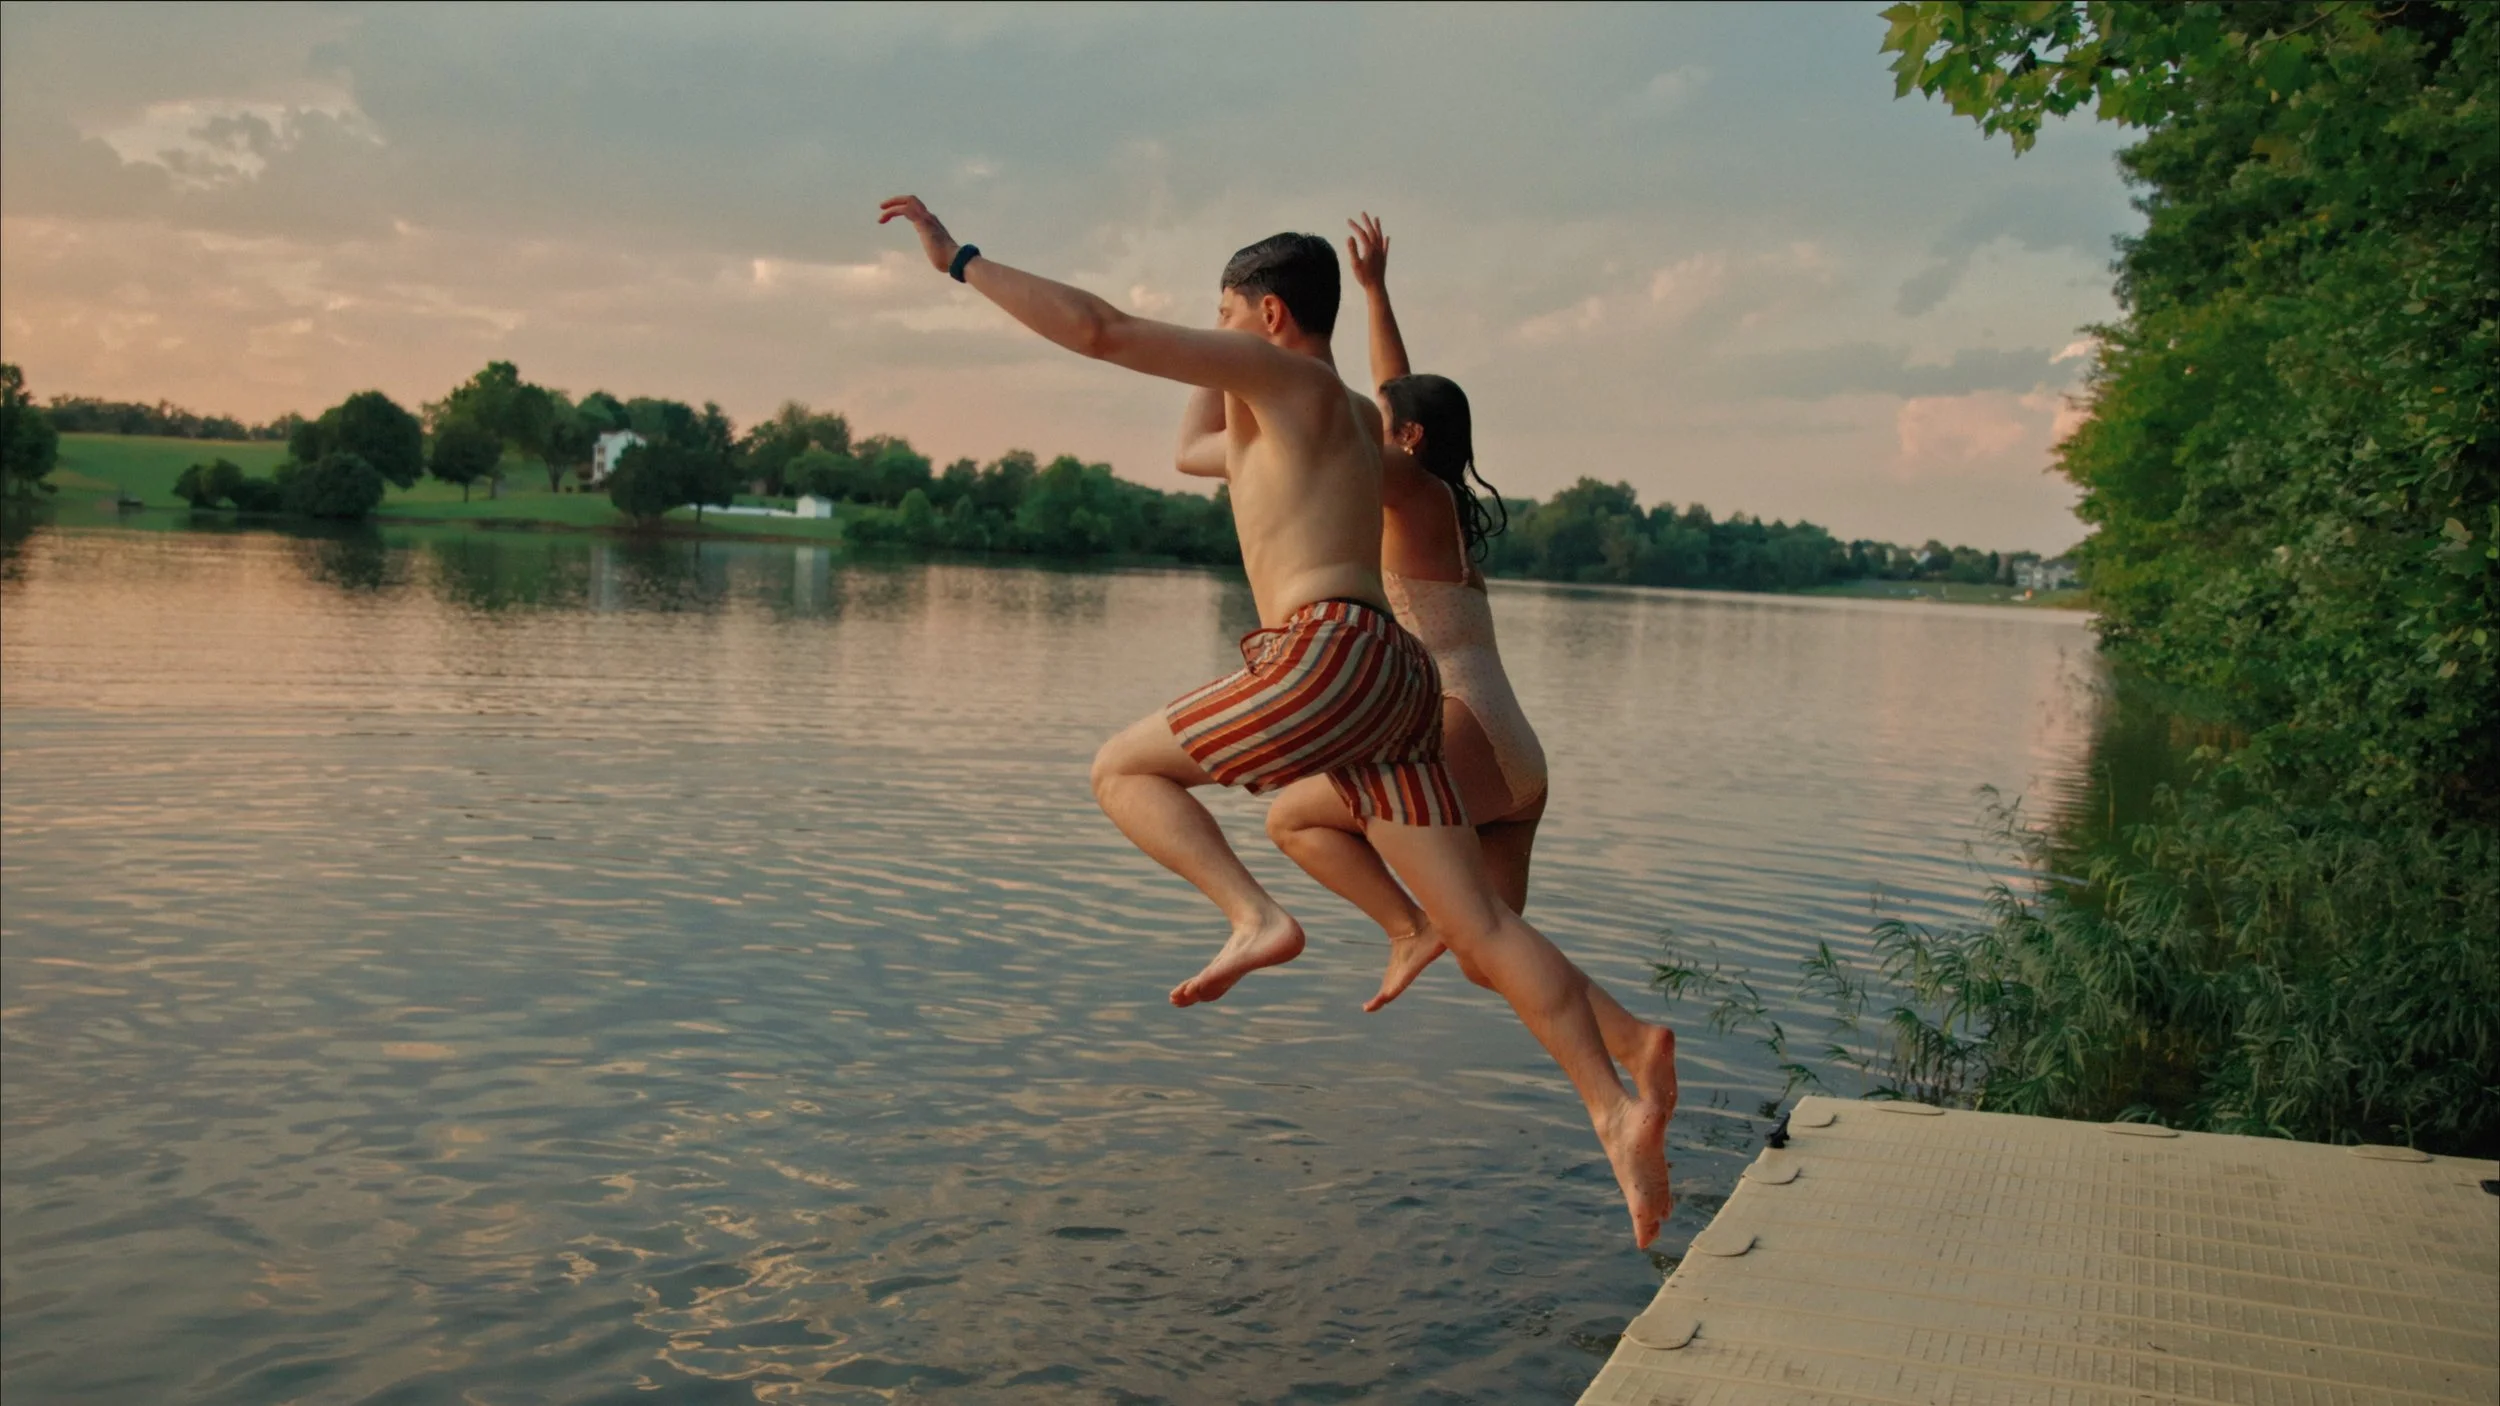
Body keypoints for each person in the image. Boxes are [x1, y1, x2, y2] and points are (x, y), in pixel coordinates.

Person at [878, 195, 1673, 1247]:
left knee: (1121, 770)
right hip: (1398, 680)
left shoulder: (1292, 381)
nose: (1215, 334)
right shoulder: (1330, 423)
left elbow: (1099, 330)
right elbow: (1193, 450)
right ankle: (1616, 1103)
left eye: (1225, 315)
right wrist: (1223, 339)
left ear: (1267, 315)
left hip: (1325, 652)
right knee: (1478, 928)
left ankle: (1256, 919)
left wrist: (961, 260)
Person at [1257, 217, 1675, 1104]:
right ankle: (1633, 1047)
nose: (1366, 429)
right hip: (1513, 757)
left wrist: (1291, 350)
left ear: (1405, 441)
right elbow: (1393, 394)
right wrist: (1373, 293)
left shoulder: (1412, 493)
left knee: (1293, 819)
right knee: (1490, 956)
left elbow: (1356, 416)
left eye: (1382, 427)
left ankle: (1407, 928)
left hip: (1462, 732)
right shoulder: (1429, 497)